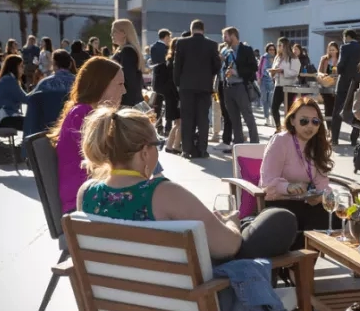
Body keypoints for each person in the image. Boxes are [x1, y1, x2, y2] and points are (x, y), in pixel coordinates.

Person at [77, 106, 298, 262]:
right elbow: (229, 247)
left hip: (120, 308)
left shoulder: (86, 194)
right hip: (185, 310)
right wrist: (232, 224)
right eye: (158, 144)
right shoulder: (162, 193)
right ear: (144, 152)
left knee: (258, 222)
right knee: (280, 219)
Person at [260, 97, 341, 249]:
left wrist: (321, 196)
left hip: (305, 202)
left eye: (315, 122)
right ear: (292, 121)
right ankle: (297, 265)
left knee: (334, 218)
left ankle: (304, 265)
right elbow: (267, 181)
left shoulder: (318, 144)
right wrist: (289, 187)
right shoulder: (281, 141)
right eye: (304, 121)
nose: (310, 126)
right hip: (279, 202)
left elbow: (323, 184)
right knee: (303, 221)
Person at [49, 57, 127, 214]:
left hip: (94, 192)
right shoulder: (81, 115)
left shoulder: (89, 113)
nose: (124, 90)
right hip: (83, 201)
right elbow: (104, 159)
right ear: (101, 86)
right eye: (119, 84)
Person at [173, 19, 222, 158]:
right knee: (203, 118)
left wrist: (178, 83)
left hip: (186, 86)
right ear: (203, 29)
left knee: (187, 117)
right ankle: (202, 149)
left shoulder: (181, 43)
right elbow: (217, 66)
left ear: (191, 28)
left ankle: (187, 149)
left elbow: (177, 66)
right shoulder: (212, 45)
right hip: (204, 86)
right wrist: (208, 74)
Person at [220, 26, 260, 146]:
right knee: (234, 118)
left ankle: (254, 142)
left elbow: (254, 68)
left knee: (247, 115)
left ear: (233, 36)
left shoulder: (246, 49)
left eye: (225, 36)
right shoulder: (226, 51)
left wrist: (237, 72)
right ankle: (238, 143)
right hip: (228, 87)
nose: (224, 39)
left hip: (241, 86)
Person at [333, 29, 360, 146]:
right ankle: (354, 139)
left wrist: (338, 69)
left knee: (337, 112)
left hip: (343, 85)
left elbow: (341, 66)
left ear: (347, 36)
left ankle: (335, 139)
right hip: (357, 85)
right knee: (355, 112)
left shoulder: (345, 47)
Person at [268, 37, 301, 129]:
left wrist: (283, 71)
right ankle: (278, 128)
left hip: (289, 86)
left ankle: (290, 129)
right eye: (277, 45)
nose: (277, 47)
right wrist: (273, 73)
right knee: (274, 108)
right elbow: (274, 70)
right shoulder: (277, 57)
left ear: (285, 46)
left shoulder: (293, 58)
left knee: (289, 110)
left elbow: (295, 72)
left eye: (280, 45)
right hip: (278, 85)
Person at [110, 19, 145, 107]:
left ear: (124, 33)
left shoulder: (128, 51)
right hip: (127, 100)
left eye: (114, 31)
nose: (111, 35)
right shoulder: (124, 50)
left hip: (126, 102)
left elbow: (128, 79)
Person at [0, 54, 28, 129]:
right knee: (33, 122)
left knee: (30, 121)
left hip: (1, 117)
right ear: (15, 67)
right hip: (1, 118)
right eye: (21, 66)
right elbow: (25, 98)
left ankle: (27, 140)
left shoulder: (8, 78)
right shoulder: (9, 80)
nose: (23, 69)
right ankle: (28, 141)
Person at [149, 29, 172, 135]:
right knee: (168, 105)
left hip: (157, 81)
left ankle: (158, 126)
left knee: (157, 106)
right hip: (167, 81)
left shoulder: (153, 47)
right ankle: (168, 127)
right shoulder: (167, 49)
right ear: (166, 37)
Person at [164, 38, 182, 154]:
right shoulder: (177, 61)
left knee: (177, 122)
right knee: (181, 122)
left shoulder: (169, 60)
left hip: (170, 95)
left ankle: (170, 145)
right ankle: (175, 146)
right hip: (177, 95)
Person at [317, 41, 340, 121]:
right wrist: (322, 75)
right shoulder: (324, 59)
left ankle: (334, 129)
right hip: (326, 85)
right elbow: (319, 71)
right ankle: (329, 129)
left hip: (337, 86)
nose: (331, 52)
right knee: (327, 108)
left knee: (336, 108)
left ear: (337, 50)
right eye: (330, 50)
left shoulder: (340, 59)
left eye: (333, 50)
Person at [257, 43, 276, 125]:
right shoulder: (264, 57)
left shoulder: (277, 58)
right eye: (270, 49)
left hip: (273, 81)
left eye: (273, 49)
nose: (271, 51)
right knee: (265, 100)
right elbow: (259, 69)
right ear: (267, 50)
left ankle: (273, 118)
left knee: (272, 101)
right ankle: (267, 118)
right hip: (264, 80)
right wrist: (259, 78)